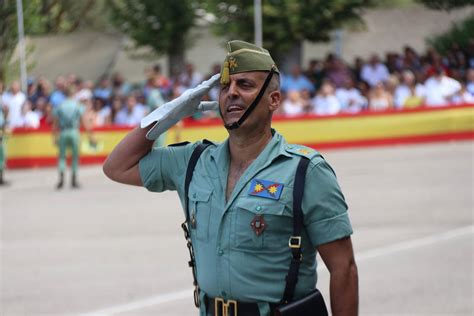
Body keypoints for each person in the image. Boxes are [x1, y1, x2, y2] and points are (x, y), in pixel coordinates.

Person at [103, 40, 358, 316]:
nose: (231, 93)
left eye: (245, 85)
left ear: (274, 100)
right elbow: (117, 167)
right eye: (225, 87)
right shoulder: (193, 161)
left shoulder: (305, 171)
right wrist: (167, 114)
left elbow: (343, 267)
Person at [52, 86, 92, 189]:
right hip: (74, 132)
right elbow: (84, 121)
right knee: (75, 157)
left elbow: (55, 124)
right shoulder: (78, 106)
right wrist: (90, 135)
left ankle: (61, 178)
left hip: (63, 132)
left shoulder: (60, 106)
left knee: (62, 157)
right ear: (74, 94)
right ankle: (73, 180)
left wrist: (54, 137)